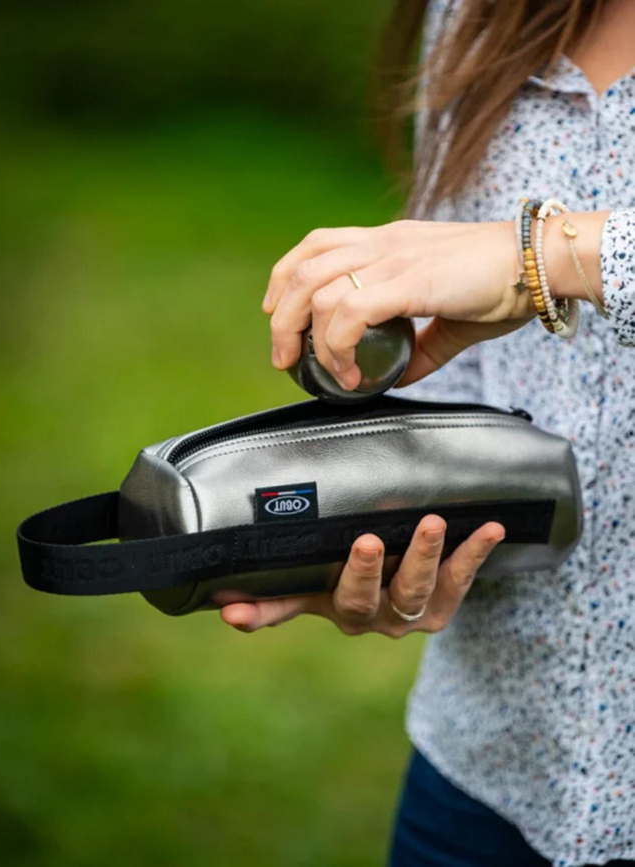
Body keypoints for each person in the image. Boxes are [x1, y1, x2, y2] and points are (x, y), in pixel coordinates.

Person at [220, 0, 635, 864]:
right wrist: (383, 527)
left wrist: (548, 257)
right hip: (489, 772)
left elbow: (511, 269)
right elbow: (473, 374)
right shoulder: (479, 12)